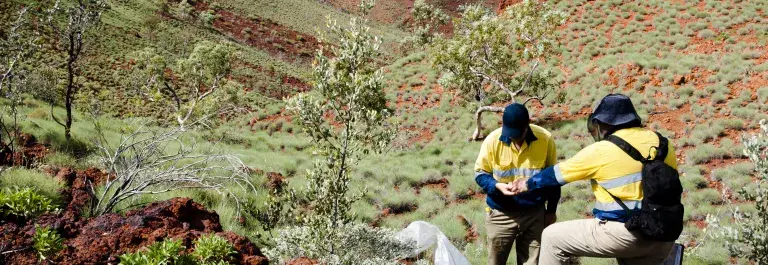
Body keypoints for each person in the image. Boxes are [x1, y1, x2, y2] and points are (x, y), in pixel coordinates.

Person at [507, 94, 679, 265]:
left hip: (627, 234)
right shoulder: (662, 142)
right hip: (663, 235)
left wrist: (526, 183)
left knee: (551, 238)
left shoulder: (602, 150)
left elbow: (556, 175)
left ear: (604, 124)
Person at [474, 103, 560, 265]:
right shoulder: (492, 141)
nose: (514, 138)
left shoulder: (545, 139)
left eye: (517, 134)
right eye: (510, 133)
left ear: (527, 124)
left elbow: (553, 179)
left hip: (534, 214)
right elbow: (480, 174)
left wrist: (551, 210)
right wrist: (496, 186)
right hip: (500, 214)